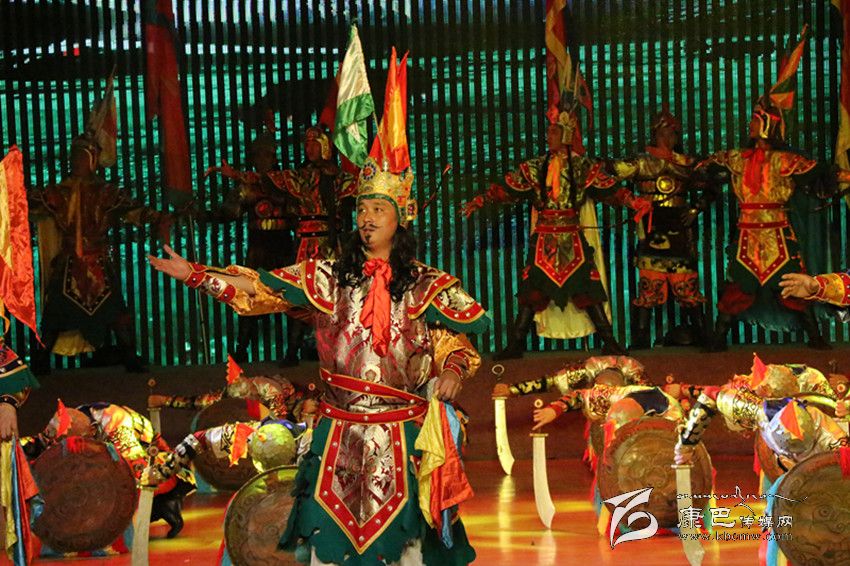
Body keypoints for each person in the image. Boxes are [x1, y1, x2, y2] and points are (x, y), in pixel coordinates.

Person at [149, 151, 489, 563]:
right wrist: (196, 275)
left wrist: (453, 370)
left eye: (378, 209)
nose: (367, 218)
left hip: (402, 431)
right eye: (361, 209)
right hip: (340, 432)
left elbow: (456, 343)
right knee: (328, 541)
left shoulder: (426, 283)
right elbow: (260, 287)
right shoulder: (327, 277)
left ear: (401, 218)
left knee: (408, 546)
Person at [461, 108, 649, 358]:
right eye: (548, 131)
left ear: (566, 135)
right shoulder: (536, 166)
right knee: (532, 290)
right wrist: (482, 200)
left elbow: (608, 187)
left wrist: (633, 201)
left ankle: (609, 341)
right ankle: (516, 344)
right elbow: (510, 187)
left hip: (572, 236)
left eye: (553, 131)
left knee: (587, 288)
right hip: (545, 238)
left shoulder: (581, 166)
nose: (548, 136)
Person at [29, 133, 172, 374]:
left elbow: (133, 209)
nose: (76, 161)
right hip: (69, 263)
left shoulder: (106, 192)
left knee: (115, 311)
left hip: (97, 262)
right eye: (73, 156)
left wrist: (158, 217)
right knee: (55, 313)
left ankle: (129, 356)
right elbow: (29, 203)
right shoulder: (58, 192)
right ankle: (41, 361)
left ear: (92, 161)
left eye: (81, 157)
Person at [607, 106, 716, 348]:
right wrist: (629, 200)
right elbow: (607, 175)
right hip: (651, 226)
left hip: (680, 227)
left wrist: (695, 208)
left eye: (672, 133)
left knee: (686, 282)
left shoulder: (687, 163)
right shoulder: (641, 162)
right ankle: (640, 339)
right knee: (649, 283)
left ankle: (703, 335)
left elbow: (714, 182)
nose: (667, 137)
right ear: (654, 134)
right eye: (663, 132)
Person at [23, 401, 194, 538]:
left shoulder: (117, 423)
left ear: (92, 430)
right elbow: (40, 444)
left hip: (155, 465)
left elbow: (136, 470)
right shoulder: (72, 418)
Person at [204, 133, 298, 363]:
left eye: (266, 155)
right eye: (257, 155)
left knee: (292, 295)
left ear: (273, 157)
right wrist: (206, 215)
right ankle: (242, 348)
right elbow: (230, 211)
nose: (261, 159)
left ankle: (293, 350)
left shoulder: (287, 182)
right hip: (259, 246)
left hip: (283, 243)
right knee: (251, 294)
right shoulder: (248, 186)